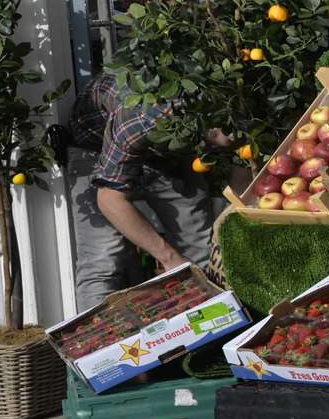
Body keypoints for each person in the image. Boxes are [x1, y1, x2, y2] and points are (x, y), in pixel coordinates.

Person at [68, 70, 218, 311]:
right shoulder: (142, 118)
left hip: (167, 152)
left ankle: (213, 332)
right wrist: (170, 259)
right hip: (95, 150)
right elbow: (109, 200)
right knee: (102, 260)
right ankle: (97, 345)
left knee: (202, 249)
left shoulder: (228, 102)